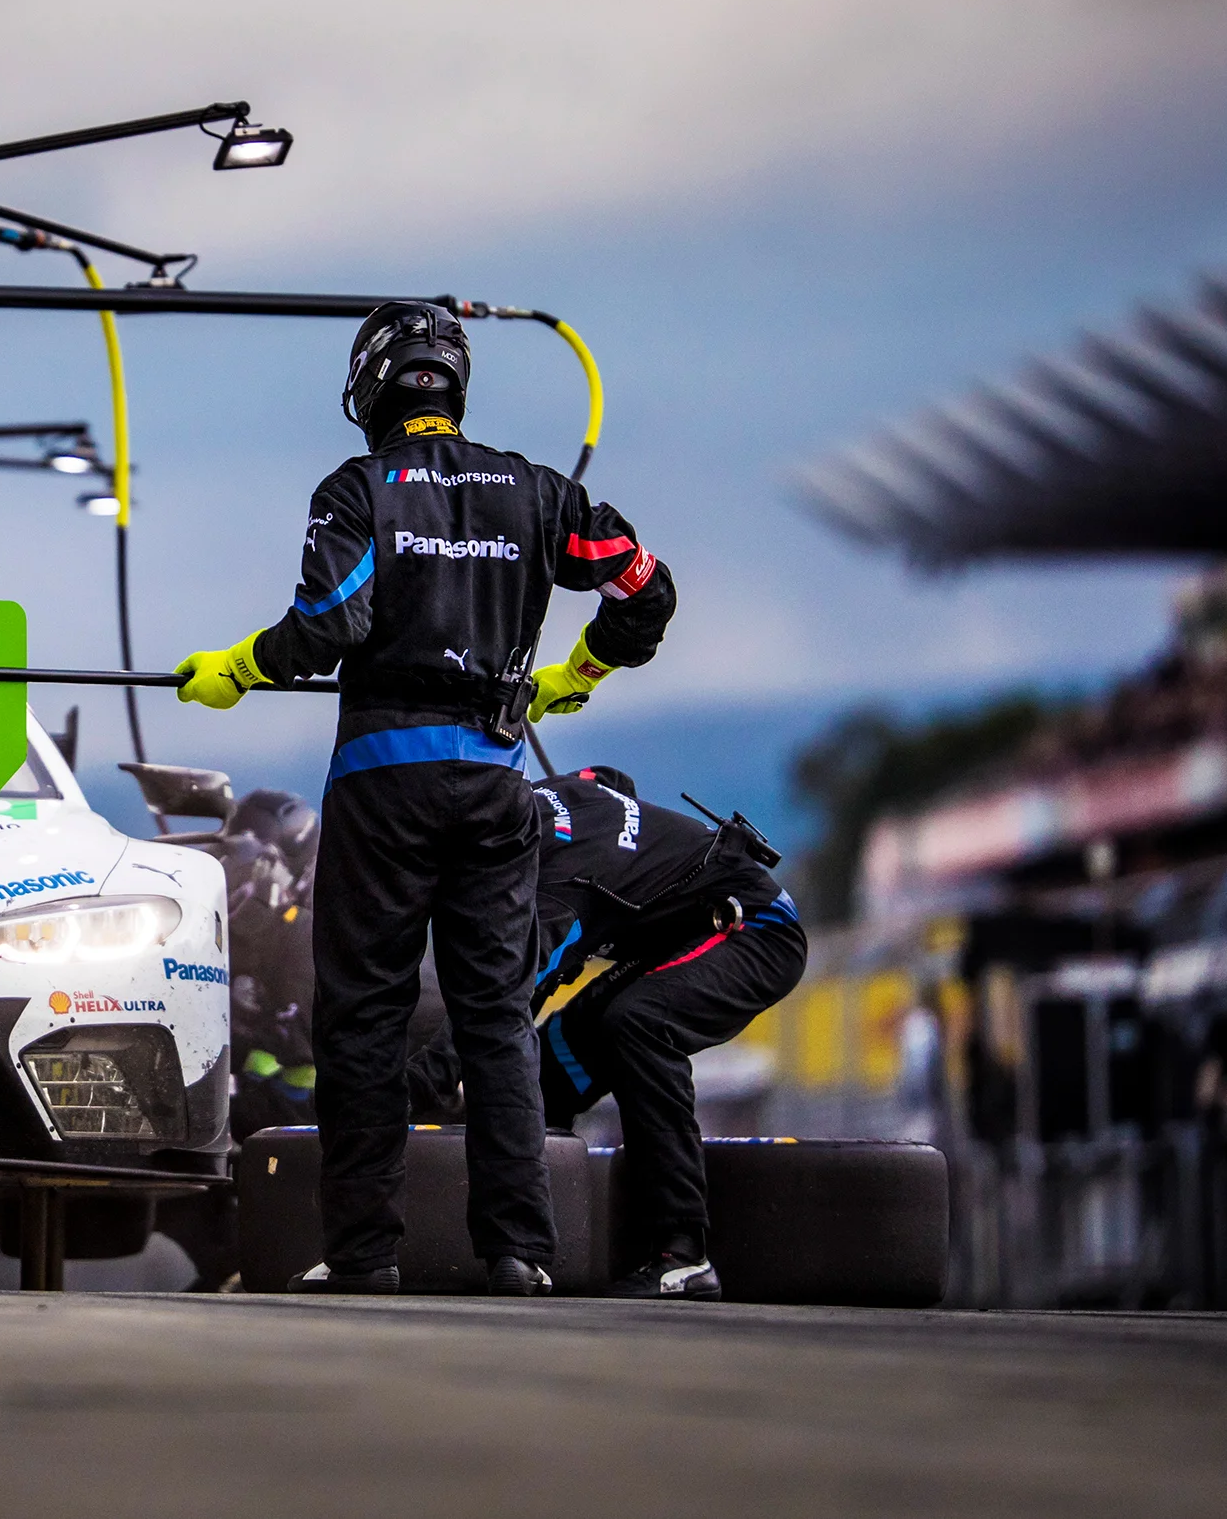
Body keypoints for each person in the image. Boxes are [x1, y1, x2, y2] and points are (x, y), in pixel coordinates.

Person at [175, 301, 675, 1294]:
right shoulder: (539, 494)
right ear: (455, 384)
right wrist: (579, 672)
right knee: (494, 1016)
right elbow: (644, 592)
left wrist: (237, 665)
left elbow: (327, 625)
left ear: (370, 388)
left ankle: (362, 1255)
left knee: (360, 1016)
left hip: (382, 784)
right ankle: (521, 1253)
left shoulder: (359, 489)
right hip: (494, 785)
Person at [410, 767, 804, 1299]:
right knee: (551, 1063)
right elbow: (611, 779)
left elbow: (502, 1002)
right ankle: (547, 1247)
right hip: (671, 936)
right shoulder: (540, 795)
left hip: (752, 927)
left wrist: (414, 1087)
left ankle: (683, 1254)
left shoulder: (559, 891)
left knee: (638, 1024)